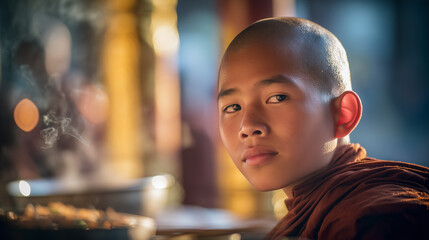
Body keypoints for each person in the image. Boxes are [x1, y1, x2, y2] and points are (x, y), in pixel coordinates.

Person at [217, 17, 429, 240]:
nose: (248, 126)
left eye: (277, 98)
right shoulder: (303, 217)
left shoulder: (378, 222)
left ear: (343, 114)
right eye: (232, 107)